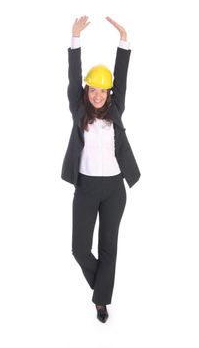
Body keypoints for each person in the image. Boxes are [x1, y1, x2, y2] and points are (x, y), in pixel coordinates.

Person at [61, 16, 141, 323]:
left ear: (109, 93)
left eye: (103, 91)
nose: (98, 95)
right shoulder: (78, 110)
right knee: (80, 249)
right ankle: (102, 289)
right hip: (86, 187)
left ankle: (101, 303)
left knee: (109, 247)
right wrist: (75, 38)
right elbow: (72, 77)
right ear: (86, 91)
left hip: (113, 189)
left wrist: (124, 39)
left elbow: (121, 73)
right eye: (93, 90)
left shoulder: (116, 110)